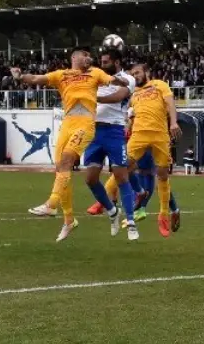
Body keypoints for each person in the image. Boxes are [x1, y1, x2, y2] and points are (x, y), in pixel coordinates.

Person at [11, 47, 124, 242]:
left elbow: (116, 82)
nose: (88, 58)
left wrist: (118, 79)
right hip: (67, 124)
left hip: (85, 123)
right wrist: (20, 76)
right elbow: (36, 79)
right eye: (85, 55)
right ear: (74, 57)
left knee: (66, 160)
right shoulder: (61, 74)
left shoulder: (95, 72)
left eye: (90, 56)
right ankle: (70, 220)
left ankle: (51, 203)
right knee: (61, 170)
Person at [79, 50, 138, 240]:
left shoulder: (127, 78)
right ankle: (113, 211)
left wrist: (92, 98)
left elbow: (118, 96)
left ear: (117, 62)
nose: (102, 65)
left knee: (121, 177)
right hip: (94, 131)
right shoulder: (97, 77)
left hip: (114, 131)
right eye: (101, 62)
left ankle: (131, 223)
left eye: (106, 62)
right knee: (90, 179)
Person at [127, 62, 182, 238]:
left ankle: (153, 209)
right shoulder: (133, 96)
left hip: (157, 137)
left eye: (137, 73)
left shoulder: (159, 86)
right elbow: (130, 118)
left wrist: (173, 122)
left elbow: (169, 104)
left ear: (147, 72)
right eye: (132, 74)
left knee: (155, 174)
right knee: (135, 170)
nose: (134, 76)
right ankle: (143, 205)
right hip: (139, 138)